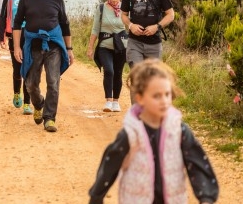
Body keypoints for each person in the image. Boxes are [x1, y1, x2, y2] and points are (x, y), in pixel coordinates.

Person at [87, 59, 219, 204]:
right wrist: (97, 196)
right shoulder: (130, 134)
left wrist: (206, 197)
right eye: (156, 96)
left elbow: (197, 163)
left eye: (167, 94)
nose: (164, 101)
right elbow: (110, 165)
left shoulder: (179, 131)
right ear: (140, 98)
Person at [13, 0, 73, 133]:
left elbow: (65, 24)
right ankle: (39, 104)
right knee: (31, 84)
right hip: (32, 45)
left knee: (53, 83)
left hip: (53, 45)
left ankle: (49, 118)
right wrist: (17, 46)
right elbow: (17, 23)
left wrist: (69, 48)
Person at [120, 0, 175, 68]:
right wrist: (131, 26)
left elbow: (171, 14)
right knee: (138, 75)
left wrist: (157, 27)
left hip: (154, 44)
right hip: (134, 43)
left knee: (152, 78)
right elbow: (123, 15)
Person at [86, 0, 128, 113]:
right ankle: (108, 101)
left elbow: (130, 27)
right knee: (109, 71)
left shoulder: (126, 9)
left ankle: (116, 101)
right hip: (105, 46)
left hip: (121, 46)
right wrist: (90, 47)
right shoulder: (101, 8)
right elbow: (95, 29)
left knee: (118, 73)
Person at [0, 0, 34, 115]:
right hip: (14, 33)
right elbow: (3, 15)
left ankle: (27, 103)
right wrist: (2, 36)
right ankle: (16, 92)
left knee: (28, 68)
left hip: (30, 34)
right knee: (17, 67)